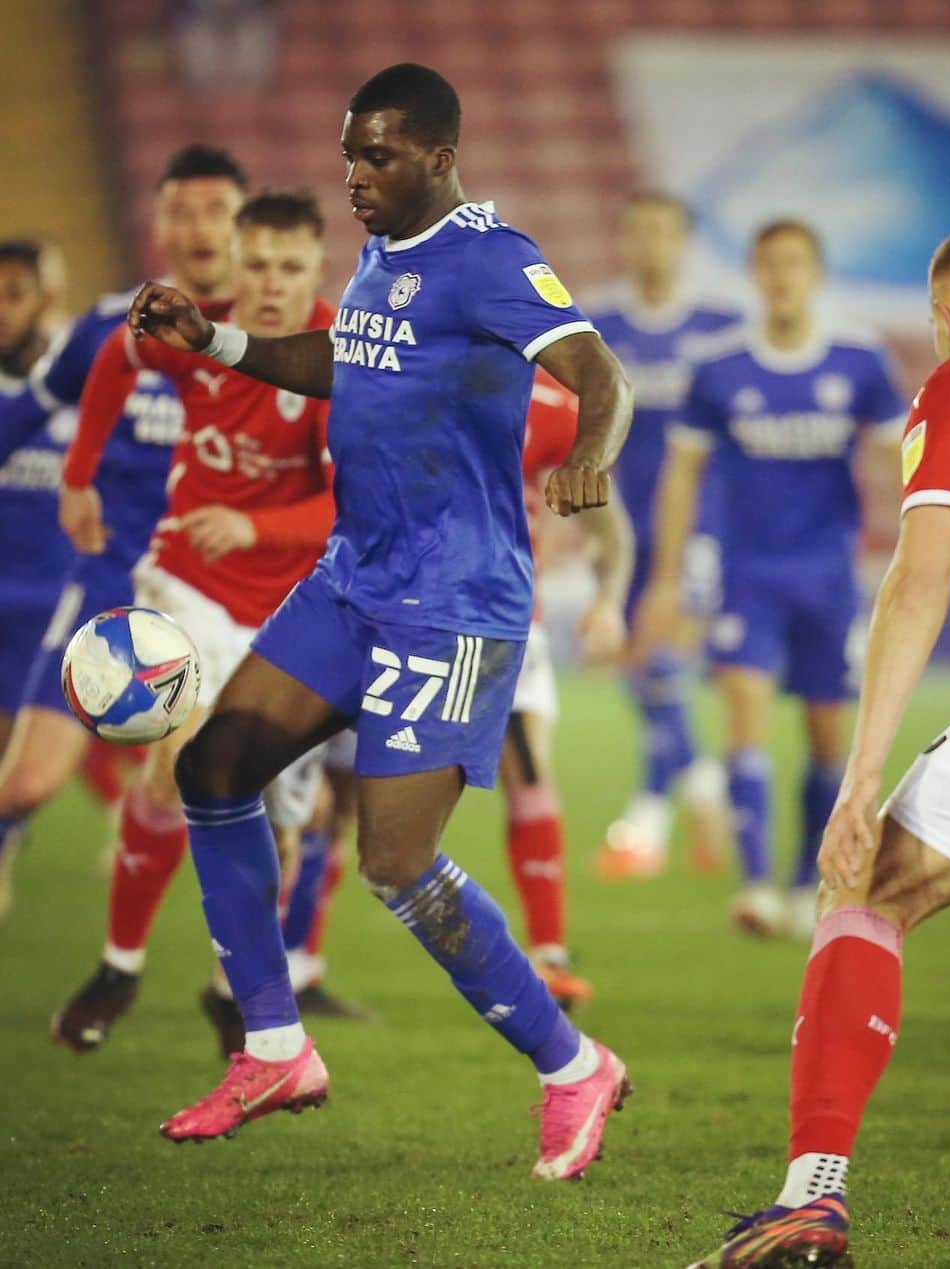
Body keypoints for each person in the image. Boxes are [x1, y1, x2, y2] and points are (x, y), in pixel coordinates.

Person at [125, 63, 634, 1180]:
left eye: (379, 157)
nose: (354, 176)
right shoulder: (382, 253)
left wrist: (589, 454)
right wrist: (211, 341)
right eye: (350, 153)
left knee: (397, 864)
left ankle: (571, 1067)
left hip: (453, 610)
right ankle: (273, 1046)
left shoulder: (492, 259)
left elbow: (602, 373)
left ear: (441, 158)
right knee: (212, 769)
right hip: (354, 582)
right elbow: (344, 365)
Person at [688, 213, 950, 1267]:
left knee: (864, 889)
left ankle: (811, 1198)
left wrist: (861, 785)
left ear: (947, 319)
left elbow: (918, 583)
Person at [52, 191, 337, 1054]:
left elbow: (349, 504)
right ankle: (119, 964)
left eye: (291, 267)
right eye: (256, 264)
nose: (271, 284)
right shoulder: (199, 336)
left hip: (291, 607)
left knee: (286, 821)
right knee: (178, 760)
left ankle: (230, 991)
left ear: (318, 270)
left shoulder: (332, 357)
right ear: (232, 259)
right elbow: (114, 356)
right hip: (188, 582)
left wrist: (261, 526)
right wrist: (80, 470)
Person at [636, 220, 906, 938]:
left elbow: (902, 457)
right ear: (754, 275)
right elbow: (681, 473)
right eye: (770, 264)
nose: (782, 277)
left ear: (816, 274)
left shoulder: (859, 358)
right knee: (745, 714)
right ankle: (756, 883)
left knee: (825, 737)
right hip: (745, 572)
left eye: (795, 264)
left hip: (828, 575)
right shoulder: (718, 365)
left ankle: (796, 881)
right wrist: (666, 579)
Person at [0, 146, 245, 913]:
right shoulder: (111, 327)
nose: (198, 227)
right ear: (158, 224)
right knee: (30, 780)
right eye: (181, 210)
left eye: (215, 210)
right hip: (114, 579)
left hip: (227, 588)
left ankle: (268, 985)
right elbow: (22, 413)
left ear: (243, 223)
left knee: (255, 794)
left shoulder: (280, 338)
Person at [587, 192, 737, 879]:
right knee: (638, 670)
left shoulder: (720, 330)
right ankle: (693, 797)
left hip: (696, 526)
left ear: (684, 243)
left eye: (665, 232)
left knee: (661, 660)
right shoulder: (595, 325)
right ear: (623, 241)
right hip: (617, 524)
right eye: (639, 231)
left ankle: (661, 818)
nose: (652, 244)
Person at [505, 366, 633, 1006]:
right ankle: (298, 963)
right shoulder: (420, 365)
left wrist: (608, 600)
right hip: (408, 610)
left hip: (505, 615)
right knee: (354, 801)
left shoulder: (553, 404)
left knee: (530, 773)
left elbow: (608, 522)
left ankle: (549, 953)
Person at [0, 240, 74, 762]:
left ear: (47, 300)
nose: (2, 310)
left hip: (55, 609)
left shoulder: (86, 386)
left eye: (14, 294)